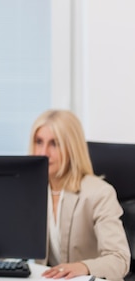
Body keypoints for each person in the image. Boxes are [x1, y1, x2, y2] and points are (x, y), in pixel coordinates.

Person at [29, 109, 130, 280]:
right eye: (39, 142)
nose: (43, 152)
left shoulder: (99, 193)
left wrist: (84, 266)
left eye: (55, 143)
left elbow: (119, 259)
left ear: (72, 147)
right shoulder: (30, 191)